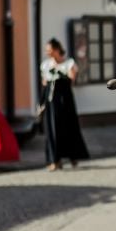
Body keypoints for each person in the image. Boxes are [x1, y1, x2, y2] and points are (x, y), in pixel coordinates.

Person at [39, 38, 90, 171]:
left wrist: (61, 74)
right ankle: (54, 160)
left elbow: (71, 79)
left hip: (65, 101)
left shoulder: (69, 63)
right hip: (51, 101)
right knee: (52, 129)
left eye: (49, 50)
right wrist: (42, 102)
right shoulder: (45, 65)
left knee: (68, 128)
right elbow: (44, 84)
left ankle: (73, 156)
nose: (47, 53)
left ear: (56, 50)